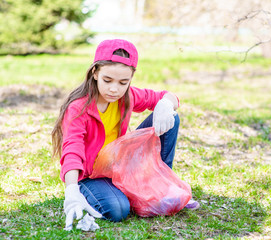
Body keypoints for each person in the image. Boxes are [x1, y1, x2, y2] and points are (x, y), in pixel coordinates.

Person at [51, 39, 199, 230]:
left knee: (170, 116)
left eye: (123, 82)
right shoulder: (79, 108)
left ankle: (163, 186)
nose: (114, 89)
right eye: (107, 80)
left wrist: (167, 104)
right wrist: (71, 191)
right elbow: (72, 150)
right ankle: (87, 193)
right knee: (118, 209)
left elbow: (168, 96)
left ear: (130, 79)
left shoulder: (127, 96)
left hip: (118, 164)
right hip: (91, 175)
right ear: (95, 73)